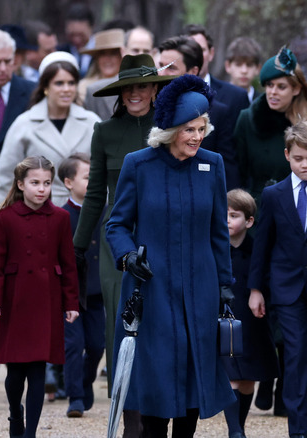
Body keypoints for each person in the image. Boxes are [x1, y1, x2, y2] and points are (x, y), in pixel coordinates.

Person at [105, 74, 235, 437]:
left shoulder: (213, 165)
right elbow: (115, 225)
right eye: (188, 129)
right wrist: (128, 256)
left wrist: (226, 285)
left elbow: (218, 233)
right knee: (159, 378)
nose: (196, 136)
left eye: (201, 128)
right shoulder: (138, 165)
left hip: (200, 289)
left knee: (195, 375)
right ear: (169, 130)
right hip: (152, 290)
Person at [73, 52, 173, 438]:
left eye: (143, 86)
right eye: (129, 87)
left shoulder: (169, 127)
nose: (136, 93)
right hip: (118, 242)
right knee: (121, 328)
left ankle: (157, 416)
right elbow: (95, 194)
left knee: (158, 327)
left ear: (154, 90)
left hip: (161, 236)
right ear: (121, 92)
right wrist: (78, 246)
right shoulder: (105, 132)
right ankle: (129, 419)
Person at [0, 155, 79, 438]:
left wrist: (71, 303)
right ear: (20, 184)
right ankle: (16, 413)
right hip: (15, 302)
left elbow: (68, 263)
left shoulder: (61, 218)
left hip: (46, 301)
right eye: (35, 183)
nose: (41, 189)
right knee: (15, 374)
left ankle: (30, 433)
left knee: (38, 369)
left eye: (47, 183)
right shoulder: (6, 217)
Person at [247, 121, 307, 438]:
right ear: (287, 156)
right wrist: (256, 289)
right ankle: (298, 430)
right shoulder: (274, 194)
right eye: (298, 158)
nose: (305, 164)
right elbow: (262, 244)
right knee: (296, 356)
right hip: (286, 290)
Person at [0, 51, 100, 241]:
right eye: (59, 83)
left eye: (71, 83)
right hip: (36, 218)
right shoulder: (24, 124)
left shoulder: (91, 122)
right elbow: (6, 179)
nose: (66, 89)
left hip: (85, 219)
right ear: (45, 86)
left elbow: (104, 175)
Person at [0, 28, 36, 385]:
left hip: (17, 196)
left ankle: (3, 355)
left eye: (8, 61)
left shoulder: (28, 93)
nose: (3, 68)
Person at [234, 46, 307, 200]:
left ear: (296, 89)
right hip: (258, 211)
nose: (273, 92)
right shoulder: (248, 120)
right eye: (269, 85)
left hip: (300, 207)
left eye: (281, 87)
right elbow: (237, 173)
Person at [221, 188, 279, 438]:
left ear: (249, 221)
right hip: (224, 320)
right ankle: (235, 431)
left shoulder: (258, 249)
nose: (227, 221)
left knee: (247, 380)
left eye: (234, 215)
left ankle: (240, 425)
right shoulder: (215, 250)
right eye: (223, 215)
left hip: (252, 320)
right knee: (231, 376)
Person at [157, 35, 244, 190]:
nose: (162, 74)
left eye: (171, 68)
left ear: (193, 71)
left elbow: (228, 171)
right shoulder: (153, 108)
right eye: (161, 66)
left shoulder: (216, 112)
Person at [57, 153, 106, 419]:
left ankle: (85, 382)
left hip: (96, 292)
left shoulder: (104, 211)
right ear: (68, 182)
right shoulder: (61, 216)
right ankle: (74, 396)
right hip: (69, 294)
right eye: (88, 177)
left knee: (98, 345)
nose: (94, 180)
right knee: (73, 345)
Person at [183, 23, 250, 127]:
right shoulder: (167, 95)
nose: (196, 55)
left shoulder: (236, 97)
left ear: (211, 53)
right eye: (190, 50)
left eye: (201, 50)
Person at [84, 26, 156, 121]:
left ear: (154, 53)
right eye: (135, 50)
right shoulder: (94, 91)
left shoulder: (163, 89)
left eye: (146, 51)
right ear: (123, 52)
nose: (140, 55)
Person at [77, 28, 124, 104]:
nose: (107, 59)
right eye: (103, 53)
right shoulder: (84, 87)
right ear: (97, 58)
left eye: (113, 53)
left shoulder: (131, 85)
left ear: (122, 56)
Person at [58, 3, 94, 77]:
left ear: (92, 28)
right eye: (72, 35)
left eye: (81, 35)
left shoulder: (102, 54)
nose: (76, 40)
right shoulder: (60, 52)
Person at [224, 37, 263, 101]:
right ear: (228, 66)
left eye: (249, 65)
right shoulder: (216, 99)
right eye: (238, 64)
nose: (244, 71)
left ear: (258, 68)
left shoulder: (263, 103)